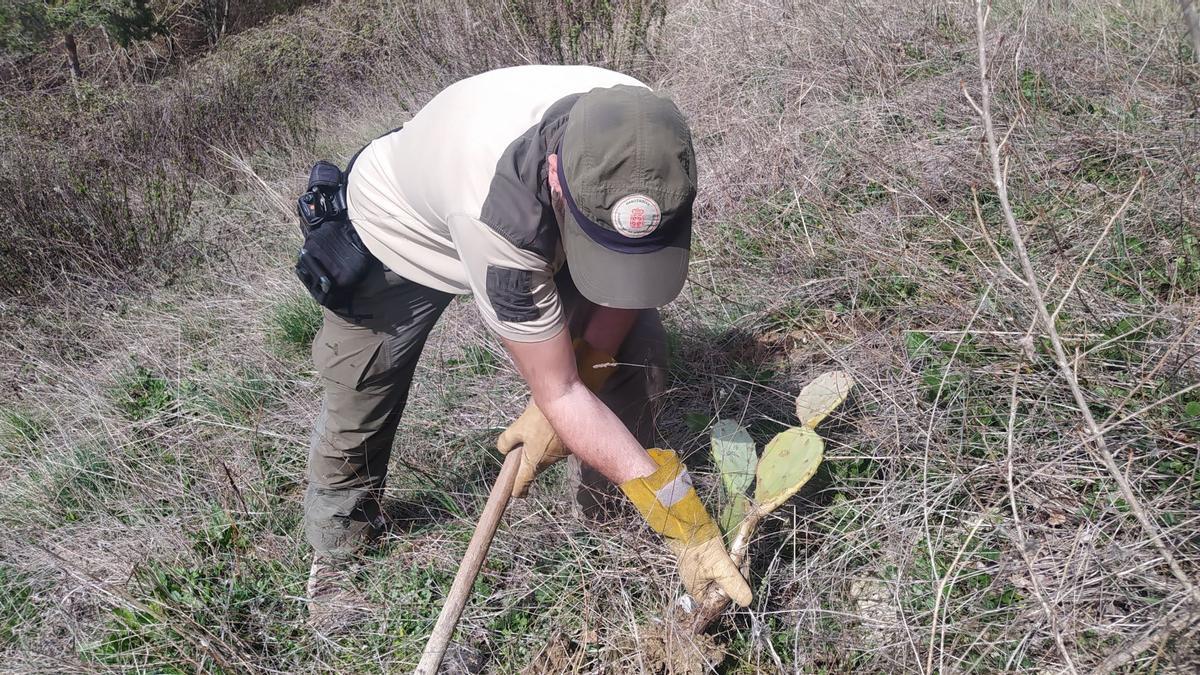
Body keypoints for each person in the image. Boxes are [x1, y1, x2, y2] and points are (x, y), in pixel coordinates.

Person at [302, 64, 751, 631]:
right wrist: (680, 514)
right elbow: (556, 387)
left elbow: (623, 290)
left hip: (549, 222)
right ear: (559, 178)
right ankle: (340, 546)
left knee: (632, 350)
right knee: (360, 398)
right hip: (397, 239)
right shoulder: (497, 212)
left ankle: (608, 519)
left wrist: (586, 368)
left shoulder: (649, 142)